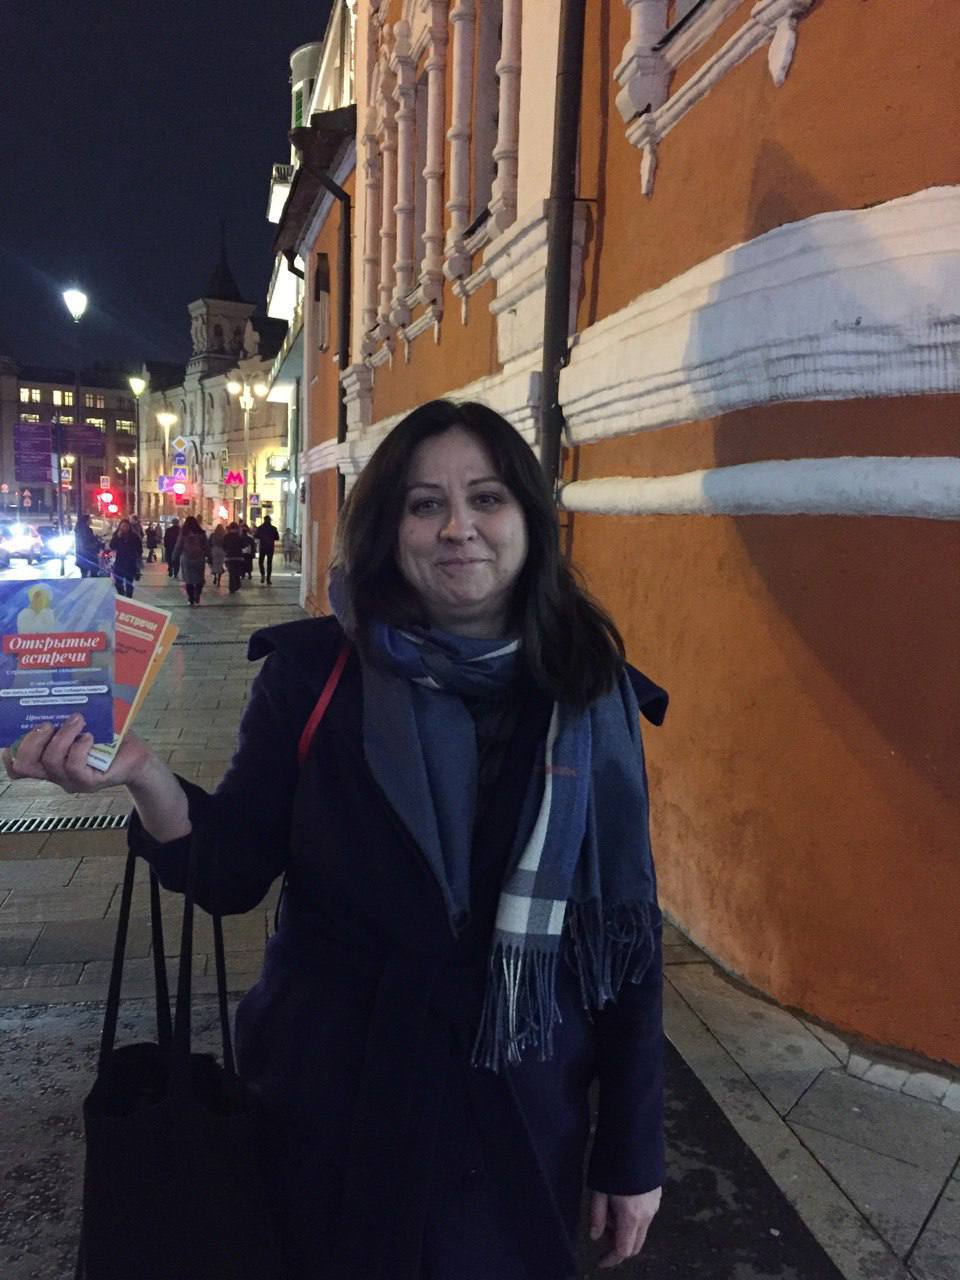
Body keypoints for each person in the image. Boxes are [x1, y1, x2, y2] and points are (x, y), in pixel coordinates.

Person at [2, 400, 667, 1280]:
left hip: (516, 1112)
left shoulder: (589, 692)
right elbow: (231, 871)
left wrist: (632, 1150)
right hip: (334, 1100)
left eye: (487, 498)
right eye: (425, 504)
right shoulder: (314, 671)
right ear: (389, 526)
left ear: (530, 520)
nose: (458, 527)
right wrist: (146, 777)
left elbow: (625, 941)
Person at [174, 515, 208, 606]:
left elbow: (178, 546)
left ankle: (191, 598)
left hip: (187, 559)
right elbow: (206, 547)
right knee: (199, 578)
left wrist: (174, 557)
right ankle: (197, 595)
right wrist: (210, 557)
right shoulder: (201, 533)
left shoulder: (184, 533)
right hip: (199, 559)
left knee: (188, 580)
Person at [109, 519, 141, 598]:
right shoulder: (117, 535)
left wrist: (136, 558)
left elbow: (139, 549)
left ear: (129, 527)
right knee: (118, 583)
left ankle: (128, 598)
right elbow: (112, 546)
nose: (124, 528)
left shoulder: (134, 536)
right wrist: (117, 537)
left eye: (126, 526)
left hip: (130, 563)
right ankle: (122, 596)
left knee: (129, 583)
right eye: (123, 526)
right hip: (119, 563)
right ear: (120, 526)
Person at [74, 514, 103, 578]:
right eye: (90, 519)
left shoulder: (78, 530)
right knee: (94, 573)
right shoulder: (87, 530)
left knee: (84, 574)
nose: (91, 521)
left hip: (81, 555)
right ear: (87, 520)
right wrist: (97, 543)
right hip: (90, 555)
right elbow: (88, 542)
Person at [254, 514, 279, 584]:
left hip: (263, 547)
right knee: (269, 563)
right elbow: (277, 538)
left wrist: (262, 537)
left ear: (264, 520)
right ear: (270, 520)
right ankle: (268, 579)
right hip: (270, 547)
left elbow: (256, 536)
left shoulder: (260, 528)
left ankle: (262, 574)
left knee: (261, 562)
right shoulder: (273, 528)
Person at [222, 521, 244, 594]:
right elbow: (243, 545)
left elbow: (223, 546)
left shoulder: (226, 536)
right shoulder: (239, 537)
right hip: (238, 557)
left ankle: (232, 587)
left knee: (231, 573)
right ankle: (237, 584)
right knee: (237, 572)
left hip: (229, 557)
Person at [209, 523, 226, 587]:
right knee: (220, 565)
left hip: (214, 550)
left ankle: (215, 577)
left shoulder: (213, 535)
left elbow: (209, 543)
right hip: (222, 551)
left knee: (214, 564)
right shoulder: (224, 535)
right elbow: (226, 544)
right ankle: (219, 580)